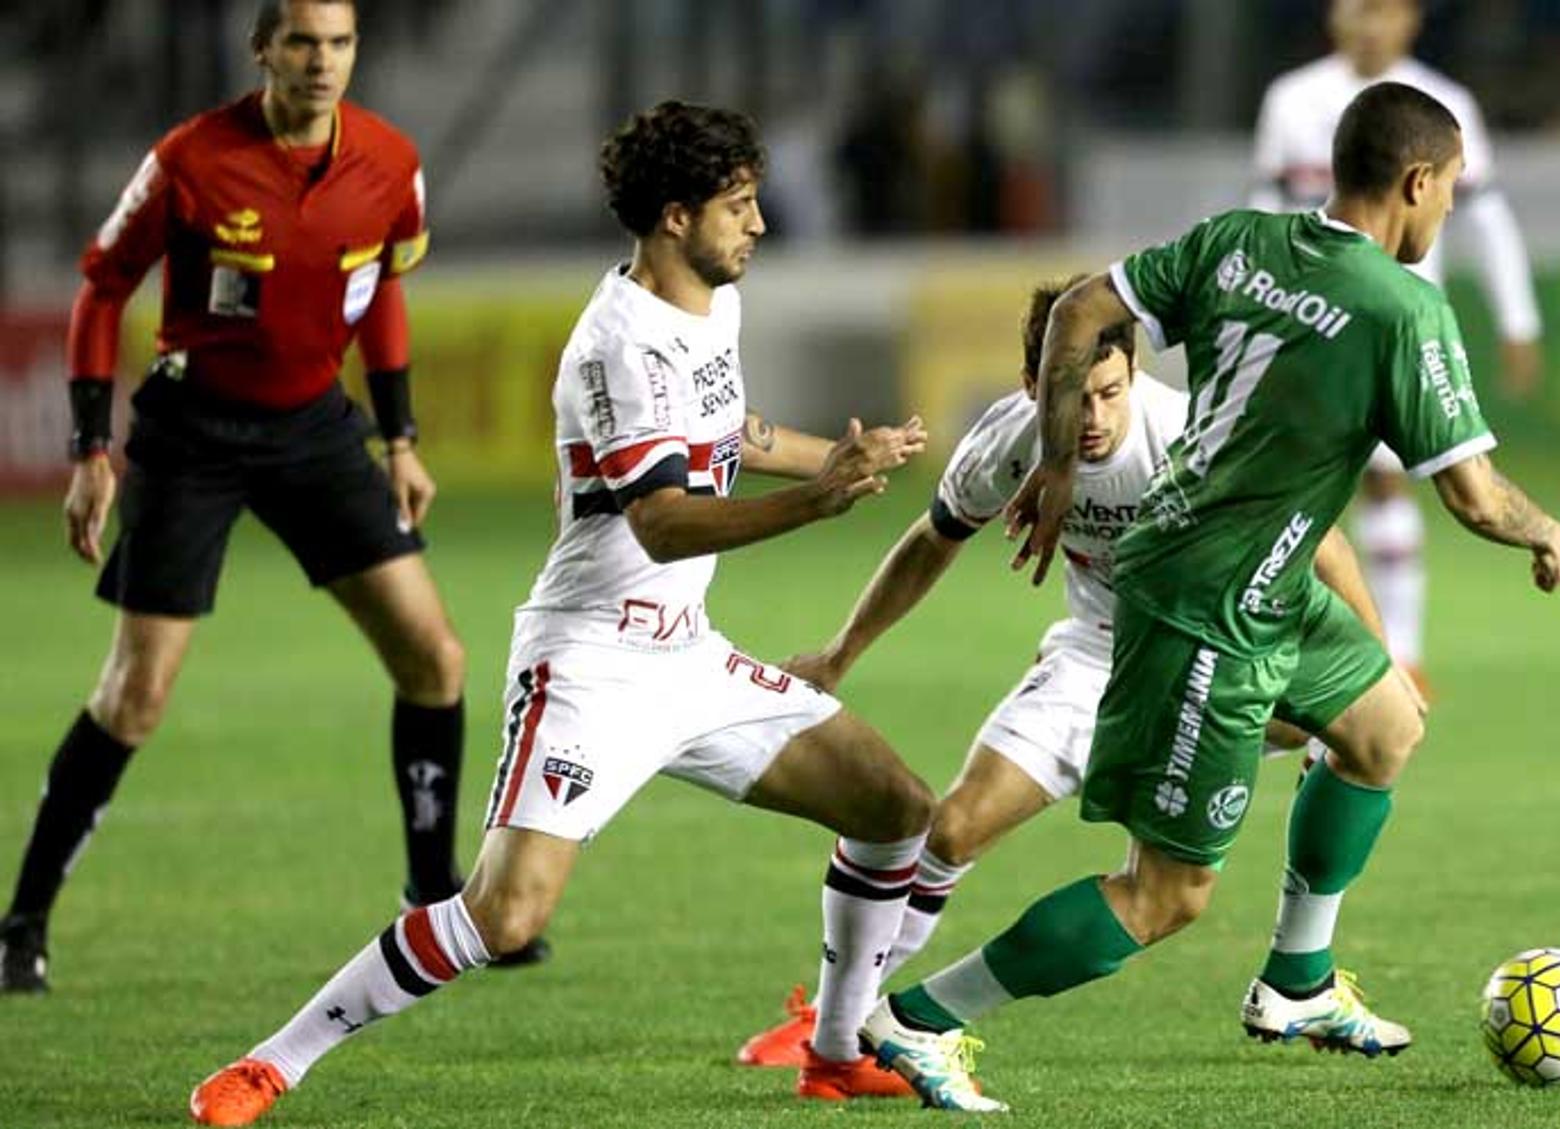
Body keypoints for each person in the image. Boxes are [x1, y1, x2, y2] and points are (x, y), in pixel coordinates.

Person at [187, 99, 941, 1126]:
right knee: (504, 913)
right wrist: (823, 498)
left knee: (895, 803)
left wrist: (839, 455)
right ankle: (272, 1063)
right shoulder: (617, 348)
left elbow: (728, 427)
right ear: (675, 218)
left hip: (689, 657)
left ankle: (838, 1047)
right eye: (739, 205)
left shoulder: (711, 302)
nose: (759, 224)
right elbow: (665, 523)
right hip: (591, 663)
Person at [859, 82, 1560, 1113]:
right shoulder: (1402, 307)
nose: (1452, 209)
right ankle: (919, 1018)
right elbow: (1471, 494)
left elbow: (1078, 310)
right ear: (1417, 181)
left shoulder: (1240, 241)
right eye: (1453, 189)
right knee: (1166, 895)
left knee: (1383, 728)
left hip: (1262, 574)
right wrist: (1545, 530)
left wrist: (1059, 458)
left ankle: (1298, 981)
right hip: (1211, 605)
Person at [733, 277, 1412, 1091]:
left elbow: (1320, 540)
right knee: (950, 831)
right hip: (1095, 657)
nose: (1092, 418)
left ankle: (900, 1022)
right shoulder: (1011, 441)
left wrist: (1377, 658)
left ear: (1133, 373)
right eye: (1072, 398)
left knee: (1204, 859)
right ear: (1031, 387)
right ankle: (849, 1020)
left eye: (1109, 392)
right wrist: (842, 652)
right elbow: (933, 540)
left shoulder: (1190, 432)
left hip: (1206, 655)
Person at [0, 0, 543, 995]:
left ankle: (432, 901)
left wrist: (401, 436)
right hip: (192, 434)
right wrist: (89, 449)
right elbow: (100, 288)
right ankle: (21, 924)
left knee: (436, 657)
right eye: (301, 42)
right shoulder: (191, 160)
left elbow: (379, 285)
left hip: (313, 431)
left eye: (338, 42)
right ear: (262, 51)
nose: (322, 61)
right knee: (136, 693)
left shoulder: (390, 164)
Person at [1250, 0, 1545, 698]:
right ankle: (1279, 641)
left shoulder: (1446, 104)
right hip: (1305, 323)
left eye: (1384, 9)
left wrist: (1518, 319)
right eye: (1357, 8)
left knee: (1388, 479)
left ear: (1412, 19)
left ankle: (1401, 652)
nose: (1369, 24)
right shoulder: (1291, 100)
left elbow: (1487, 217)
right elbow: (1265, 208)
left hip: (1394, 326)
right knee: (1288, 489)